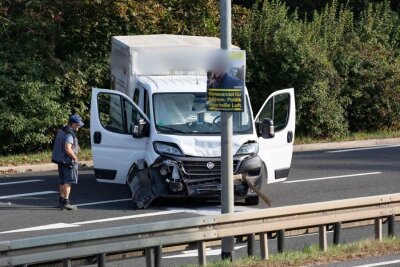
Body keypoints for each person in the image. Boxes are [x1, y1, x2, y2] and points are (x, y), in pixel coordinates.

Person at [51, 114, 84, 210]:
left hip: (59, 160)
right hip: (67, 161)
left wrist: (76, 146)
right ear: (73, 124)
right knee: (68, 182)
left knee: (62, 181)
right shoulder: (70, 134)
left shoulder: (62, 130)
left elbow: (62, 144)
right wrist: (75, 158)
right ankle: (66, 202)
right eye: (78, 124)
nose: (79, 126)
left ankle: (61, 201)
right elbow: (67, 149)